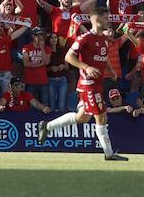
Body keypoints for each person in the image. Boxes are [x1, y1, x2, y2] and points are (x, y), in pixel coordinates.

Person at [38, 10, 126, 161]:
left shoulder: (104, 39)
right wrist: (86, 67)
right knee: (101, 116)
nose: (109, 21)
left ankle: (47, 126)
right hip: (88, 85)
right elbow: (68, 57)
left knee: (82, 118)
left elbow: (103, 58)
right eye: (106, 18)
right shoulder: (85, 38)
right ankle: (109, 153)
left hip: (97, 84)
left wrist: (111, 70)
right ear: (96, 20)